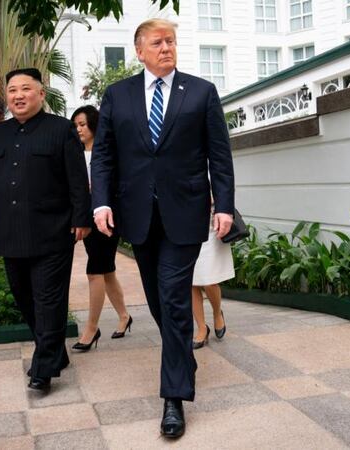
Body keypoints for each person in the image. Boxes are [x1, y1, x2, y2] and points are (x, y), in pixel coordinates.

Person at [90, 18, 235, 438]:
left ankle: (173, 397)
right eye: (157, 42)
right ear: (139, 51)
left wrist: (223, 204)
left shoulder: (201, 92)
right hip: (137, 215)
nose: (166, 47)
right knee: (157, 299)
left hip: (186, 212)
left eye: (170, 41)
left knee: (172, 295)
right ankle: (182, 358)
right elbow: (104, 156)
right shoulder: (117, 95)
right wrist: (101, 200)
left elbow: (219, 155)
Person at [0, 68, 91, 393]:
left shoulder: (61, 130)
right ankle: (55, 352)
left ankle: (43, 368)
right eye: (13, 89)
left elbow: (76, 178)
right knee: (24, 297)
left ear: (41, 94)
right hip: (10, 232)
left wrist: (82, 218)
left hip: (53, 231)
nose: (18, 95)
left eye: (26, 89)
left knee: (48, 300)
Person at [70, 105, 132, 352]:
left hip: (107, 217)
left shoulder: (107, 152)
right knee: (107, 271)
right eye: (75, 125)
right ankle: (125, 316)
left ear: (94, 124)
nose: (78, 129)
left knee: (95, 271)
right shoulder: (75, 153)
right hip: (86, 218)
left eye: (82, 124)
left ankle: (91, 328)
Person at [191, 209, 235, 349]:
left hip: (212, 224)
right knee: (191, 282)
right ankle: (202, 328)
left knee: (210, 281)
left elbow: (224, 189)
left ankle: (217, 313)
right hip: (186, 224)